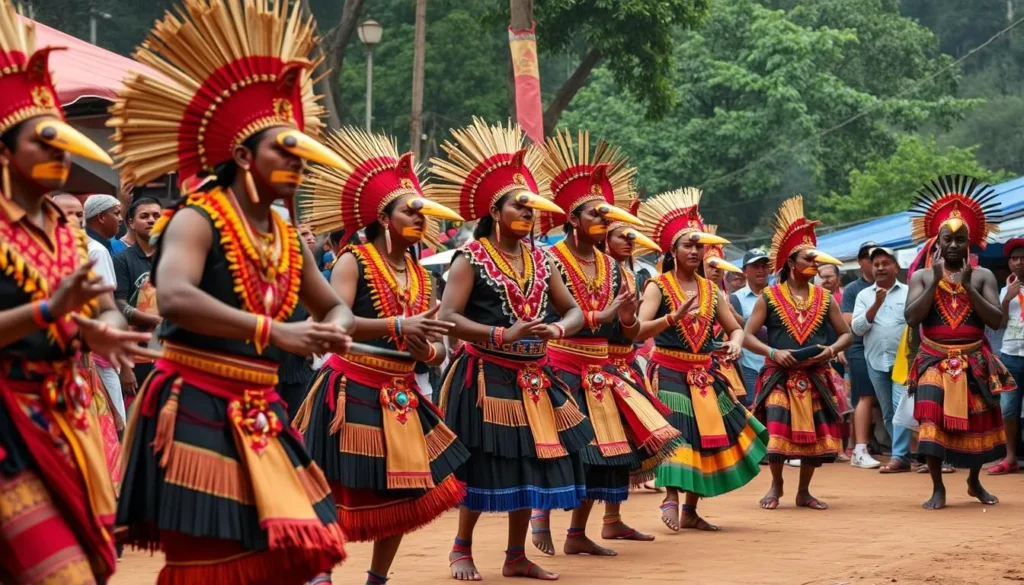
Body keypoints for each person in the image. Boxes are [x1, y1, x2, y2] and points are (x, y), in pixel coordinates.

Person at [110, 1, 356, 581]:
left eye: (301, 152)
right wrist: (276, 330)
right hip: (195, 398)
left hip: (262, 405)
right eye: (284, 151)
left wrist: (335, 331)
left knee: (301, 550)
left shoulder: (288, 237)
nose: (296, 164)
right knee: (212, 560)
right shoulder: (198, 217)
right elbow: (173, 296)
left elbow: (334, 305)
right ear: (244, 156)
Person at [0, 2, 152, 581]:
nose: (61, 153)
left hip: (61, 419)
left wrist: (98, 332)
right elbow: (43, 313)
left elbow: (67, 321)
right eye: (45, 142)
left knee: (88, 561)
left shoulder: (62, 235)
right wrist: (49, 309)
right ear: (4, 152)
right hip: (7, 421)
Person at [292, 127, 470, 585]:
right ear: (384, 218)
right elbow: (339, 321)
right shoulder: (354, 259)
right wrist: (395, 326)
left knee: (404, 496)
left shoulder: (419, 271)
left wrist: (425, 348)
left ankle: (377, 579)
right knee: (334, 488)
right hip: (351, 389)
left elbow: (437, 348)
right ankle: (321, 574)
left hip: (403, 394)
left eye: (422, 213)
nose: (420, 219)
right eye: (409, 212)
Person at [432, 118, 592, 581]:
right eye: (517, 208)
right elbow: (448, 317)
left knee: (534, 462)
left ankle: (515, 555)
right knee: (486, 462)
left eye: (531, 209)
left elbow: (574, 310)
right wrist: (501, 334)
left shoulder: (543, 259)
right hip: (485, 375)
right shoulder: (471, 257)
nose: (527, 215)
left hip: (536, 375)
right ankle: (461, 548)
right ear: (495, 212)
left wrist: (558, 331)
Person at [529, 131, 680, 556]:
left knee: (605, 455)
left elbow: (628, 334)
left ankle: (578, 533)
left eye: (606, 214)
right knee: (561, 449)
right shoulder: (549, 259)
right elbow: (539, 313)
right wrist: (606, 315)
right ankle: (540, 516)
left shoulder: (619, 270)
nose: (603, 220)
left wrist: (629, 317)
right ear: (572, 219)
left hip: (603, 369)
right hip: (559, 367)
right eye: (595, 213)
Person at [634, 188, 768, 531]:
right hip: (669, 370)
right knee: (678, 434)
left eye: (699, 247)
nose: (694, 252)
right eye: (687, 246)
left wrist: (736, 344)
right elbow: (636, 331)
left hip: (705, 373)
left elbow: (734, 328)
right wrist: (670, 319)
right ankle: (671, 498)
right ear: (673, 251)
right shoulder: (657, 286)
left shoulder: (711, 290)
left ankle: (691, 510)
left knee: (707, 436)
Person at [904, 175, 1011, 509]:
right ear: (936, 241)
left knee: (979, 421)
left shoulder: (981, 276)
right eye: (947, 239)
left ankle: (974, 481)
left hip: (975, 358)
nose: (953, 245)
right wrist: (936, 281)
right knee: (931, 417)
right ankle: (937, 487)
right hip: (933, 359)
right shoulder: (923, 276)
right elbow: (911, 318)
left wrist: (968, 287)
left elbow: (996, 320)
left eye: (960, 240)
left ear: (970, 242)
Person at [742, 196, 850, 511]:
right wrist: (773, 351)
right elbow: (747, 336)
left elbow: (846, 334)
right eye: (808, 259)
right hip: (779, 374)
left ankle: (804, 491)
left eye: (816, 260)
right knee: (776, 434)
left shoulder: (826, 297)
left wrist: (829, 350)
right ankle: (776, 484)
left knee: (814, 438)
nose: (814, 265)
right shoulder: (770, 296)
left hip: (815, 373)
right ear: (791, 263)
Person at [603, 203, 666, 495]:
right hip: (588, 365)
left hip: (624, 365)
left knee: (625, 443)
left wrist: (669, 319)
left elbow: (636, 330)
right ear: (605, 237)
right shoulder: (592, 271)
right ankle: (544, 519)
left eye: (632, 236)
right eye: (622, 235)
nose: (630, 241)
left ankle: (612, 520)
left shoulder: (632, 277)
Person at [852, 247, 912, 473]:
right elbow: (857, 329)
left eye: (885, 263)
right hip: (875, 362)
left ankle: (899, 456)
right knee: (888, 412)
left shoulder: (909, 292)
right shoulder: (864, 295)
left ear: (896, 267)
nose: (880, 268)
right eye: (876, 264)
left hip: (903, 362)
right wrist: (875, 304)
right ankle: (904, 456)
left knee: (900, 408)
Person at [113, 196, 163, 406]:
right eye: (145, 216)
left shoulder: (173, 256)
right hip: (138, 356)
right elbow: (117, 305)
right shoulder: (123, 260)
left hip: (171, 354)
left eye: (156, 216)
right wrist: (125, 368)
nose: (151, 220)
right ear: (131, 223)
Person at [843, 241, 881, 467]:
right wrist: (876, 309)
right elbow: (849, 321)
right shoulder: (853, 289)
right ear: (860, 262)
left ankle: (904, 452)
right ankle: (859, 449)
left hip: (889, 350)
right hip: (860, 348)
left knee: (895, 397)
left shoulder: (898, 287)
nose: (876, 263)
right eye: (869, 258)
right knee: (865, 397)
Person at [989, 237, 1024, 474]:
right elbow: (998, 325)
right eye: (1014, 258)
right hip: (1010, 354)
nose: (1018, 263)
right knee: (1008, 410)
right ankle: (1010, 458)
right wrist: (1006, 299)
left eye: (1022, 258)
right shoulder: (1005, 289)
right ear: (1009, 263)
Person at [731, 248, 770, 402]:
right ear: (745, 271)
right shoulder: (736, 299)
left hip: (779, 363)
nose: (761, 270)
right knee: (753, 408)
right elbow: (740, 332)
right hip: (751, 365)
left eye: (764, 266)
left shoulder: (778, 294)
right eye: (755, 266)